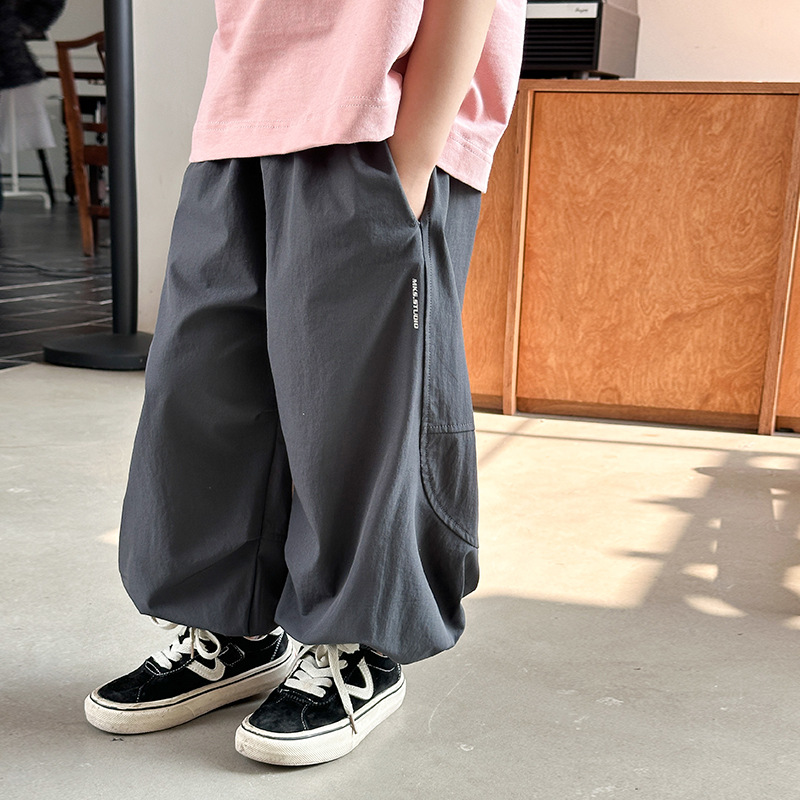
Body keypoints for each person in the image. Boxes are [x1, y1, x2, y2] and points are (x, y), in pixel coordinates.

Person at [84, 0, 526, 767]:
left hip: (379, 117)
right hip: (240, 119)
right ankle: (232, 630)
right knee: (201, 390)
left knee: (355, 411)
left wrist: (413, 153)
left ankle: (361, 644)